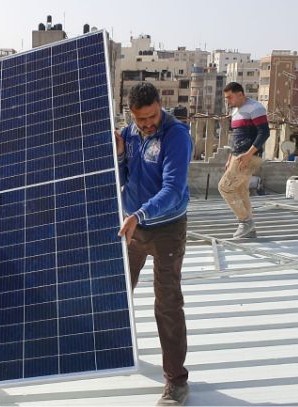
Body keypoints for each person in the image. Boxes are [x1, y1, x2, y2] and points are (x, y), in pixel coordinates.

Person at [115, 82, 192, 406]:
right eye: (140, 119)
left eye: (151, 117)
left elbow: (174, 188)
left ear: (160, 106)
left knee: (167, 304)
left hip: (166, 230)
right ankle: (109, 350)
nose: (146, 124)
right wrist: (119, 156)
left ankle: (176, 382)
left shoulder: (176, 136)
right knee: (117, 290)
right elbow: (122, 177)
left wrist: (141, 215)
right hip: (132, 228)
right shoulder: (129, 134)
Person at [218, 82, 270, 239]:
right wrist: (230, 157)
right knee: (241, 192)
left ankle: (245, 222)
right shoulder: (236, 112)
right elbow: (236, 138)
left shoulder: (256, 108)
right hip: (238, 156)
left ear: (240, 94)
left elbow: (264, 133)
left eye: (230, 97)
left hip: (249, 156)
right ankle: (250, 230)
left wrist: (248, 155)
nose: (228, 101)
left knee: (224, 187)